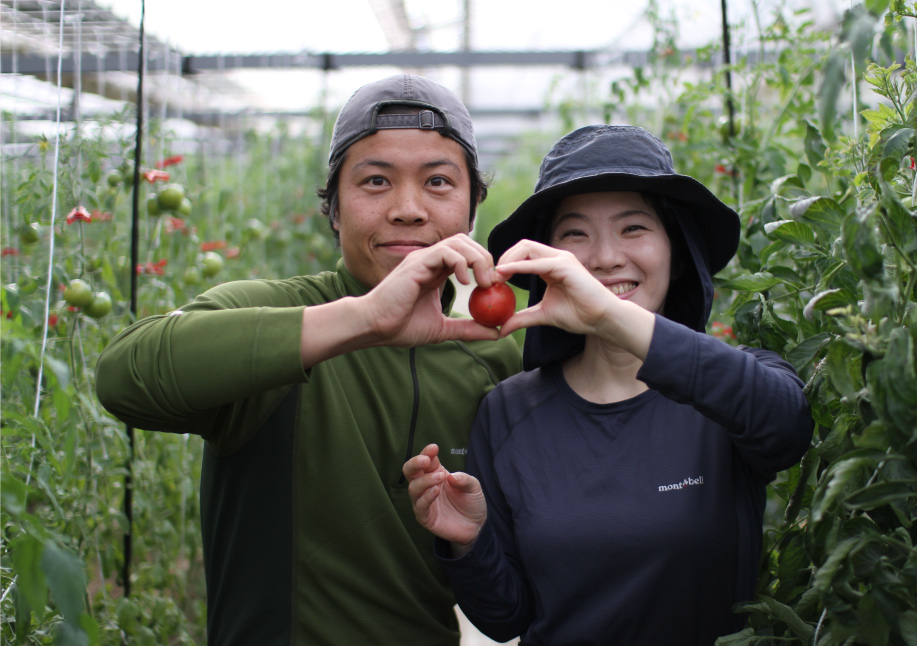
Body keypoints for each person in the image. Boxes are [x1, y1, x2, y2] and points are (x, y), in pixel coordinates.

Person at [95, 74, 522, 645]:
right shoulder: (279, 313)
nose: (408, 209)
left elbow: (506, 591)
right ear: (335, 210)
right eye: (375, 181)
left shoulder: (493, 359)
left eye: (439, 181)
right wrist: (363, 319)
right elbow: (125, 376)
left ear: (471, 212)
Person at [403, 125, 814, 645]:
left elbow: (787, 427)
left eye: (634, 228)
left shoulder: (728, 389)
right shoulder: (509, 411)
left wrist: (612, 318)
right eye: (575, 234)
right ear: (547, 263)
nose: (604, 257)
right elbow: (505, 617)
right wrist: (468, 544)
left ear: (678, 252)